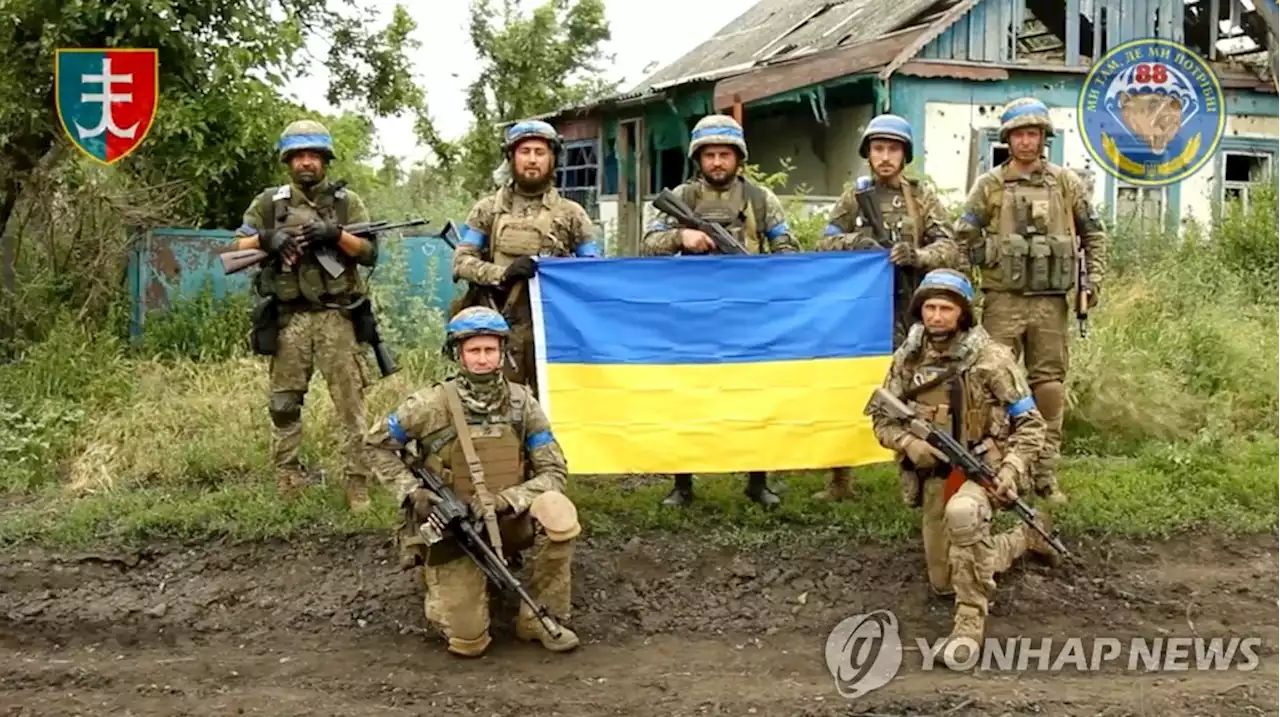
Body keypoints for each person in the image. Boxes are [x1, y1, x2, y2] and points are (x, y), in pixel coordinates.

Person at [865, 268, 1059, 663]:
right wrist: (908, 443)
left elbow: (1031, 423)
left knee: (965, 514)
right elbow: (881, 418)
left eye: (946, 309)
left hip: (983, 465)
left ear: (963, 314)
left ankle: (969, 625)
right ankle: (1024, 538)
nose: (936, 317)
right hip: (936, 474)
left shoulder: (992, 360)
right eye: (930, 308)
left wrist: (1010, 470)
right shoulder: (908, 358)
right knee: (944, 581)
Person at [363, 306, 581, 658]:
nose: (482, 359)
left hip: (508, 518)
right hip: (453, 529)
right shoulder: (430, 404)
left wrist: (507, 499)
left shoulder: (521, 402)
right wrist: (412, 492)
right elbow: (376, 446)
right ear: (458, 354)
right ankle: (439, 581)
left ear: (502, 352)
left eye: (490, 350)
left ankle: (540, 616)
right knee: (469, 642)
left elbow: (554, 472)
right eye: (474, 351)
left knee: (558, 510)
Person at [954, 97, 1109, 506]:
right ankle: (996, 469)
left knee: (1049, 387)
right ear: (1008, 139)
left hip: (1050, 304)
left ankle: (1044, 474)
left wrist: (1092, 281)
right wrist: (980, 268)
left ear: (1044, 138)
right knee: (994, 386)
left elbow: (1093, 234)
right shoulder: (989, 185)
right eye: (1020, 134)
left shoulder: (1065, 184)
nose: (1027, 142)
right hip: (1002, 300)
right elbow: (962, 237)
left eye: (1034, 134)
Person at [641, 113, 799, 509]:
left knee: (754, 397)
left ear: (737, 158)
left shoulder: (761, 199)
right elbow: (647, 243)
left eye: (724, 154)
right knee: (687, 399)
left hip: (747, 314)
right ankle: (682, 483)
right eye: (709, 154)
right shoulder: (683, 197)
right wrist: (682, 236)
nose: (716, 162)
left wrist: (764, 272)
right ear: (699, 158)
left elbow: (788, 251)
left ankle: (757, 480)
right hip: (690, 314)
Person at [814, 113, 964, 503]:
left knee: (914, 391)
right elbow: (825, 243)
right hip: (862, 311)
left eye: (893, 149)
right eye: (878, 149)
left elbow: (949, 248)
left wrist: (916, 255)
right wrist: (858, 244)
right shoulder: (854, 197)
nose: (885, 157)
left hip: (910, 309)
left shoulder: (921, 198)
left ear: (904, 155)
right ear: (868, 154)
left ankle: (912, 473)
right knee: (850, 385)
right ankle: (840, 479)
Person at [229, 119, 377, 511]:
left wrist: (335, 235)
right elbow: (235, 248)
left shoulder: (347, 203)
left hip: (337, 318)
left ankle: (357, 483)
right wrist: (267, 238)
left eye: (314, 156)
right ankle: (287, 478)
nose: (307, 163)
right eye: (299, 156)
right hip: (289, 319)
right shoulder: (268, 204)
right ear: (288, 161)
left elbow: (369, 252)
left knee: (350, 406)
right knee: (283, 404)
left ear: (325, 160)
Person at [452, 120, 603, 398]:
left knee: (553, 406)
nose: (532, 160)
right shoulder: (488, 209)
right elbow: (462, 261)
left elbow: (592, 273)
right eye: (524, 152)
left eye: (540, 152)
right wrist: (503, 274)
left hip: (553, 331)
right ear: (511, 157)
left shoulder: (572, 214)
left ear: (553, 159)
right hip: (499, 327)